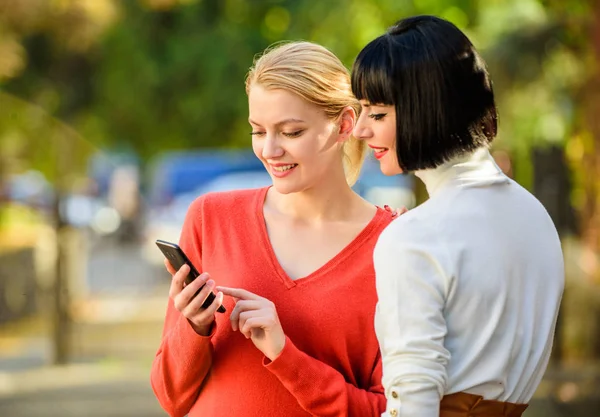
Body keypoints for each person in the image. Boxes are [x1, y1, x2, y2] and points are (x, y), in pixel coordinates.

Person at [150, 41, 397, 417]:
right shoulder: (210, 217)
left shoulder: (393, 244)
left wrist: (286, 356)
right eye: (257, 131)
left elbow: (386, 411)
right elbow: (171, 397)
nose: (269, 150)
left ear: (345, 124)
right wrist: (194, 329)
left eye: (291, 132)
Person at [351, 15, 564, 417]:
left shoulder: (414, 236)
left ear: (424, 111)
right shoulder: (534, 216)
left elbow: (412, 399)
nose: (360, 130)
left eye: (376, 114)